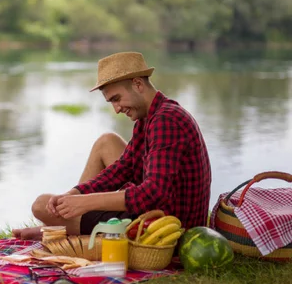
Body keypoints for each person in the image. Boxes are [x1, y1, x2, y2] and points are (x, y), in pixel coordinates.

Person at [13, 51, 212, 240]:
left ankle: (58, 229)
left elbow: (154, 194)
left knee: (40, 206)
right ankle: (65, 224)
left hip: (166, 230)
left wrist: (85, 203)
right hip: (160, 214)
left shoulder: (166, 120)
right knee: (106, 141)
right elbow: (122, 169)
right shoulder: (149, 117)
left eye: (117, 99)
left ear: (137, 84)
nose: (116, 109)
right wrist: (76, 193)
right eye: (111, 102)